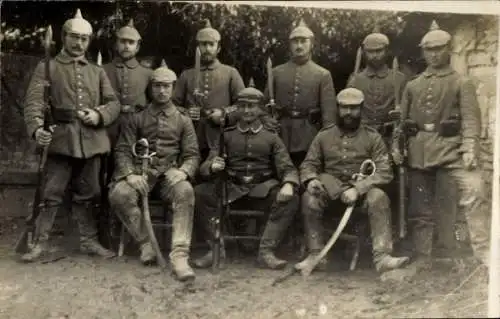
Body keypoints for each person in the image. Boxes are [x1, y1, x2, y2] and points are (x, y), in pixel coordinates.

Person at [22, 8, 120, 262]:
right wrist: (37, 129)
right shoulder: (48, 67)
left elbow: (113, 103)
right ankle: (39, 242)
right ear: (64, 37)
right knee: (51, 192)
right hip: (60, 138)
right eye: (74, 37)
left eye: (84, 39)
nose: (79, 43)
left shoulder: (97, 72)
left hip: (91, 139)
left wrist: (98, 115)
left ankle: (89, 241)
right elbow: (33, 103)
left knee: (90, 192)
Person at [392, 21, 488, 270]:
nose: (434, 54)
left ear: (449, 49)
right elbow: (402, 123)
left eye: (439, 48)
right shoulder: (413, 85)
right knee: (419, 207)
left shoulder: (461, 82)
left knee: (470, 193)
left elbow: (470, 119)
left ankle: (480, 253)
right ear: (423, 52)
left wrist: (470, 149)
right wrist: (397, 145)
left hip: (452, 151)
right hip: (420, 151)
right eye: (429, 49)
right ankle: (423, 257)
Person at [297, 88, 409, 273]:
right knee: (309, 197)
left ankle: (382, 257)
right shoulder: (324, 136)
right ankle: (316, 254)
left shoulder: (373, 137)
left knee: (378, 197)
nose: (348, 113)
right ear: (337, 109)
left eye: (354, 108)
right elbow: (308, 164)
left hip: (361, 198)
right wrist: (311, 180)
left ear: (361, 109)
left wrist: (358, 189)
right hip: (331, 193)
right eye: (344, 108)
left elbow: (384, 172)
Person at [108, 60, 199, 281]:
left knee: (185, 192)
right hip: (142, 174)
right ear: (151, 87)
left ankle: (179, 256)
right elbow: (122, 150)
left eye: (166, 86)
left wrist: (184, 172)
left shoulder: (183, 120)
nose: (161, 90)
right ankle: (145, 243)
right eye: (157, 85)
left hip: (169, 176)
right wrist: (130, 174)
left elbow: (192, 154)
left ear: (173, 88)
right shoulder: (137, 117)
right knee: (120, 194)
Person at [193, 84, 300, 269]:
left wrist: (289, 183)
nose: (247, 111)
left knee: (291, 199)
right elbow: (204, 167)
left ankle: (266, 251)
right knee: (200, 193)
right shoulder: (226, 136)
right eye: (242, 106)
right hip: (232, 189)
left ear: (260, 109)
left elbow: (287, 167)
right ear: (237, 109)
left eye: (251, 106)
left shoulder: (272, 137)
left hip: (262, 189)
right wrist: (213, 166)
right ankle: (216, 249)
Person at [264, 18, 336, 167]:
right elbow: (263, 108)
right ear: (289, 45)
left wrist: (326, 143)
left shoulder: (323, 74)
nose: (299, 45)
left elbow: (329, 115)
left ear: (312, 44)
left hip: (310, 135)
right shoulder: (276, 73)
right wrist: (268, 122)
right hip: (281, 133)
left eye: (303, 41)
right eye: (295, 42)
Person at [173, 19, 245, 160]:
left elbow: (242, 105)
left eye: (211, 44)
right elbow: (173, 105)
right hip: (191, 136)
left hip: (221, 136)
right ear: (197, 48)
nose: (207, 48)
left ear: (218, 48)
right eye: (203, 44)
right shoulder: (186, 75)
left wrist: (224, 114)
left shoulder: (230, 73)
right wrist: (186, 113)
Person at [102, 18, 153, 148]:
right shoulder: (102, 70)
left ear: (138, 47)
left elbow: (153, 103)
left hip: (136, 126)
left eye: (131, 42)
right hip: (108, 126)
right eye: (123, 41)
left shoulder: (147, 73)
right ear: (116, 44)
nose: (126, 46)